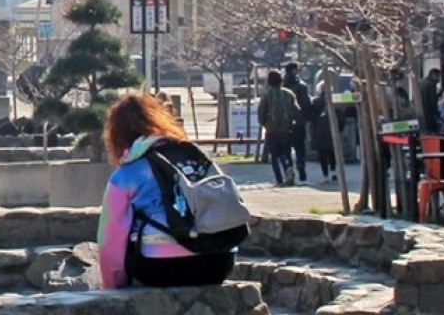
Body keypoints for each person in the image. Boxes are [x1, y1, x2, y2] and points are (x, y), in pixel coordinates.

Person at [97, 93, 237, 289]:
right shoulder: (193, 154)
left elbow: (110, 241)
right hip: (220, 261)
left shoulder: (126, 174)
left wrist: (113, 286)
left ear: (116, 135)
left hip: (162, 267)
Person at [257, 70, 300, 187]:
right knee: (286, 153)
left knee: (275, 156)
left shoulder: (266, 95)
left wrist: (265, 123)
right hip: (286, 129)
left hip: (272, 130)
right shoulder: (289, 94)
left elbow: (261, 113)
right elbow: (297, 111)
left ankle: (279, 180)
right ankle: (289, 170)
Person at [283, 63, 318, 183]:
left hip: (284, 123)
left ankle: (289, 169)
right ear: (295, 71)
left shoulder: (282, 86)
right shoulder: (301, 86)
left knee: (286, 149)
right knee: (299, 147)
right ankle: (301, 167)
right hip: (299, 122)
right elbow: (306, 104)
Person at [419, 67, 444, 134]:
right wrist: (437, 114)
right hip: (429, 114)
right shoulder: (431, 85)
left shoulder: (421, 82)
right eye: (438, 77)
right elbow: (433, 102)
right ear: (433, 75)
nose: (439, 79)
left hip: (420, 113)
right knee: (433, 132)